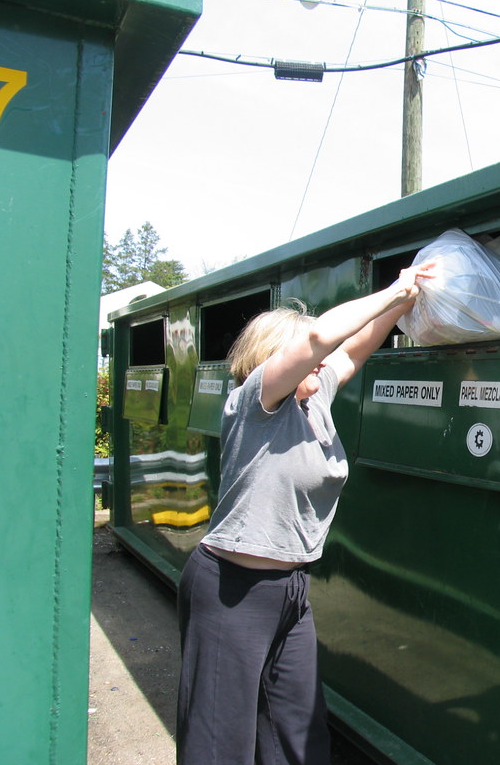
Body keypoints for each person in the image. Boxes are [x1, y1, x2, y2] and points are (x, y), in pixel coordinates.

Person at [176, 263, 434, 765]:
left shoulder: (314, 400)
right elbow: (319, 337)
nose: (321, 363)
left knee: (298, 736)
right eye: (308, 359)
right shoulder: (255, 400)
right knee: (218, 745)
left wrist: (407, 303)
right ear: (273, 360)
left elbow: (353, 350)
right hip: (232, 591)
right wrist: (392, 290)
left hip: (291, 593)